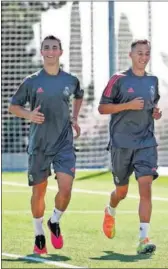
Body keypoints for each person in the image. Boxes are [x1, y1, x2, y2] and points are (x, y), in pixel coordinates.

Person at [8, 35, 84, 255]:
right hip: (39, 145)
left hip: (64, 144)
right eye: (46, 48)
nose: (50, 51)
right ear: (42, 52)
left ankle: (55, 220)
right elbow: (14, 106)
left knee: (66, 189)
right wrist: (29, 115)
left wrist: (75, 117)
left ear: (61, 52)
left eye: (54, 48)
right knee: (39, 192)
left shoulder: (71, 80)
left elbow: (79, 96)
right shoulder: (32, 81)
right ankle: (39, 234)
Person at [98, 39, 162, 255]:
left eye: (147, 53)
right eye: (139, 53)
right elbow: (102, 108)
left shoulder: (153, 80)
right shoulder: (118, 79)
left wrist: (156, 113)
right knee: (121, 192)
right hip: (121, 144)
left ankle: (144, 238)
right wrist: (128, 105)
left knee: (146, 189)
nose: (143, 57)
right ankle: (110, 209)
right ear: (130, 55)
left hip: (146, 143)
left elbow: (153, 105)